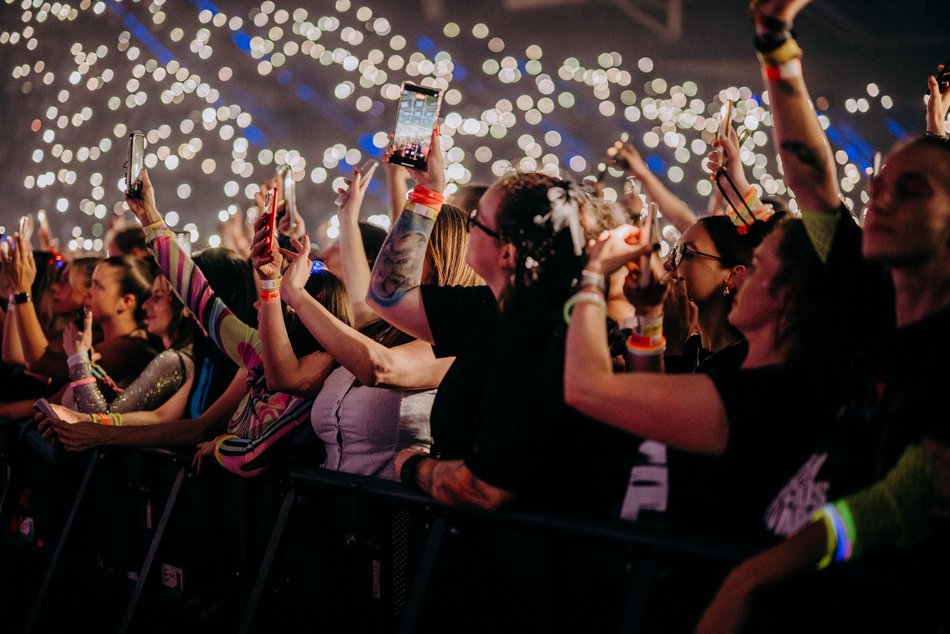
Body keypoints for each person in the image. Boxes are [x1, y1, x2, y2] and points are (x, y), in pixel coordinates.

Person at [692, 0, 950, 629]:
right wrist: (776, 46)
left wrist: (763, 571)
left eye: (911, 189)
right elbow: (812, 178)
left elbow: (914, 496)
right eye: (880, 185)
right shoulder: (869, 297)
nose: (880, 200)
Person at [250, 164, 481, 481]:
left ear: (440, 254)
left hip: (396, 519)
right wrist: (270, 287)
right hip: (332, 513)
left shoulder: (455, 345)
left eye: (406, 246)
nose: (393, 255)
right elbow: (286, 377)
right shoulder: (376, 329)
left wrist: (297, 295)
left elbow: (379, 367)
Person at [63, 273, 196, 416]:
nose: (145, 305)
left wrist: (78, 359)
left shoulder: (173, 360)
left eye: (157, 297)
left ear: (183, 306)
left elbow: (103, 422)